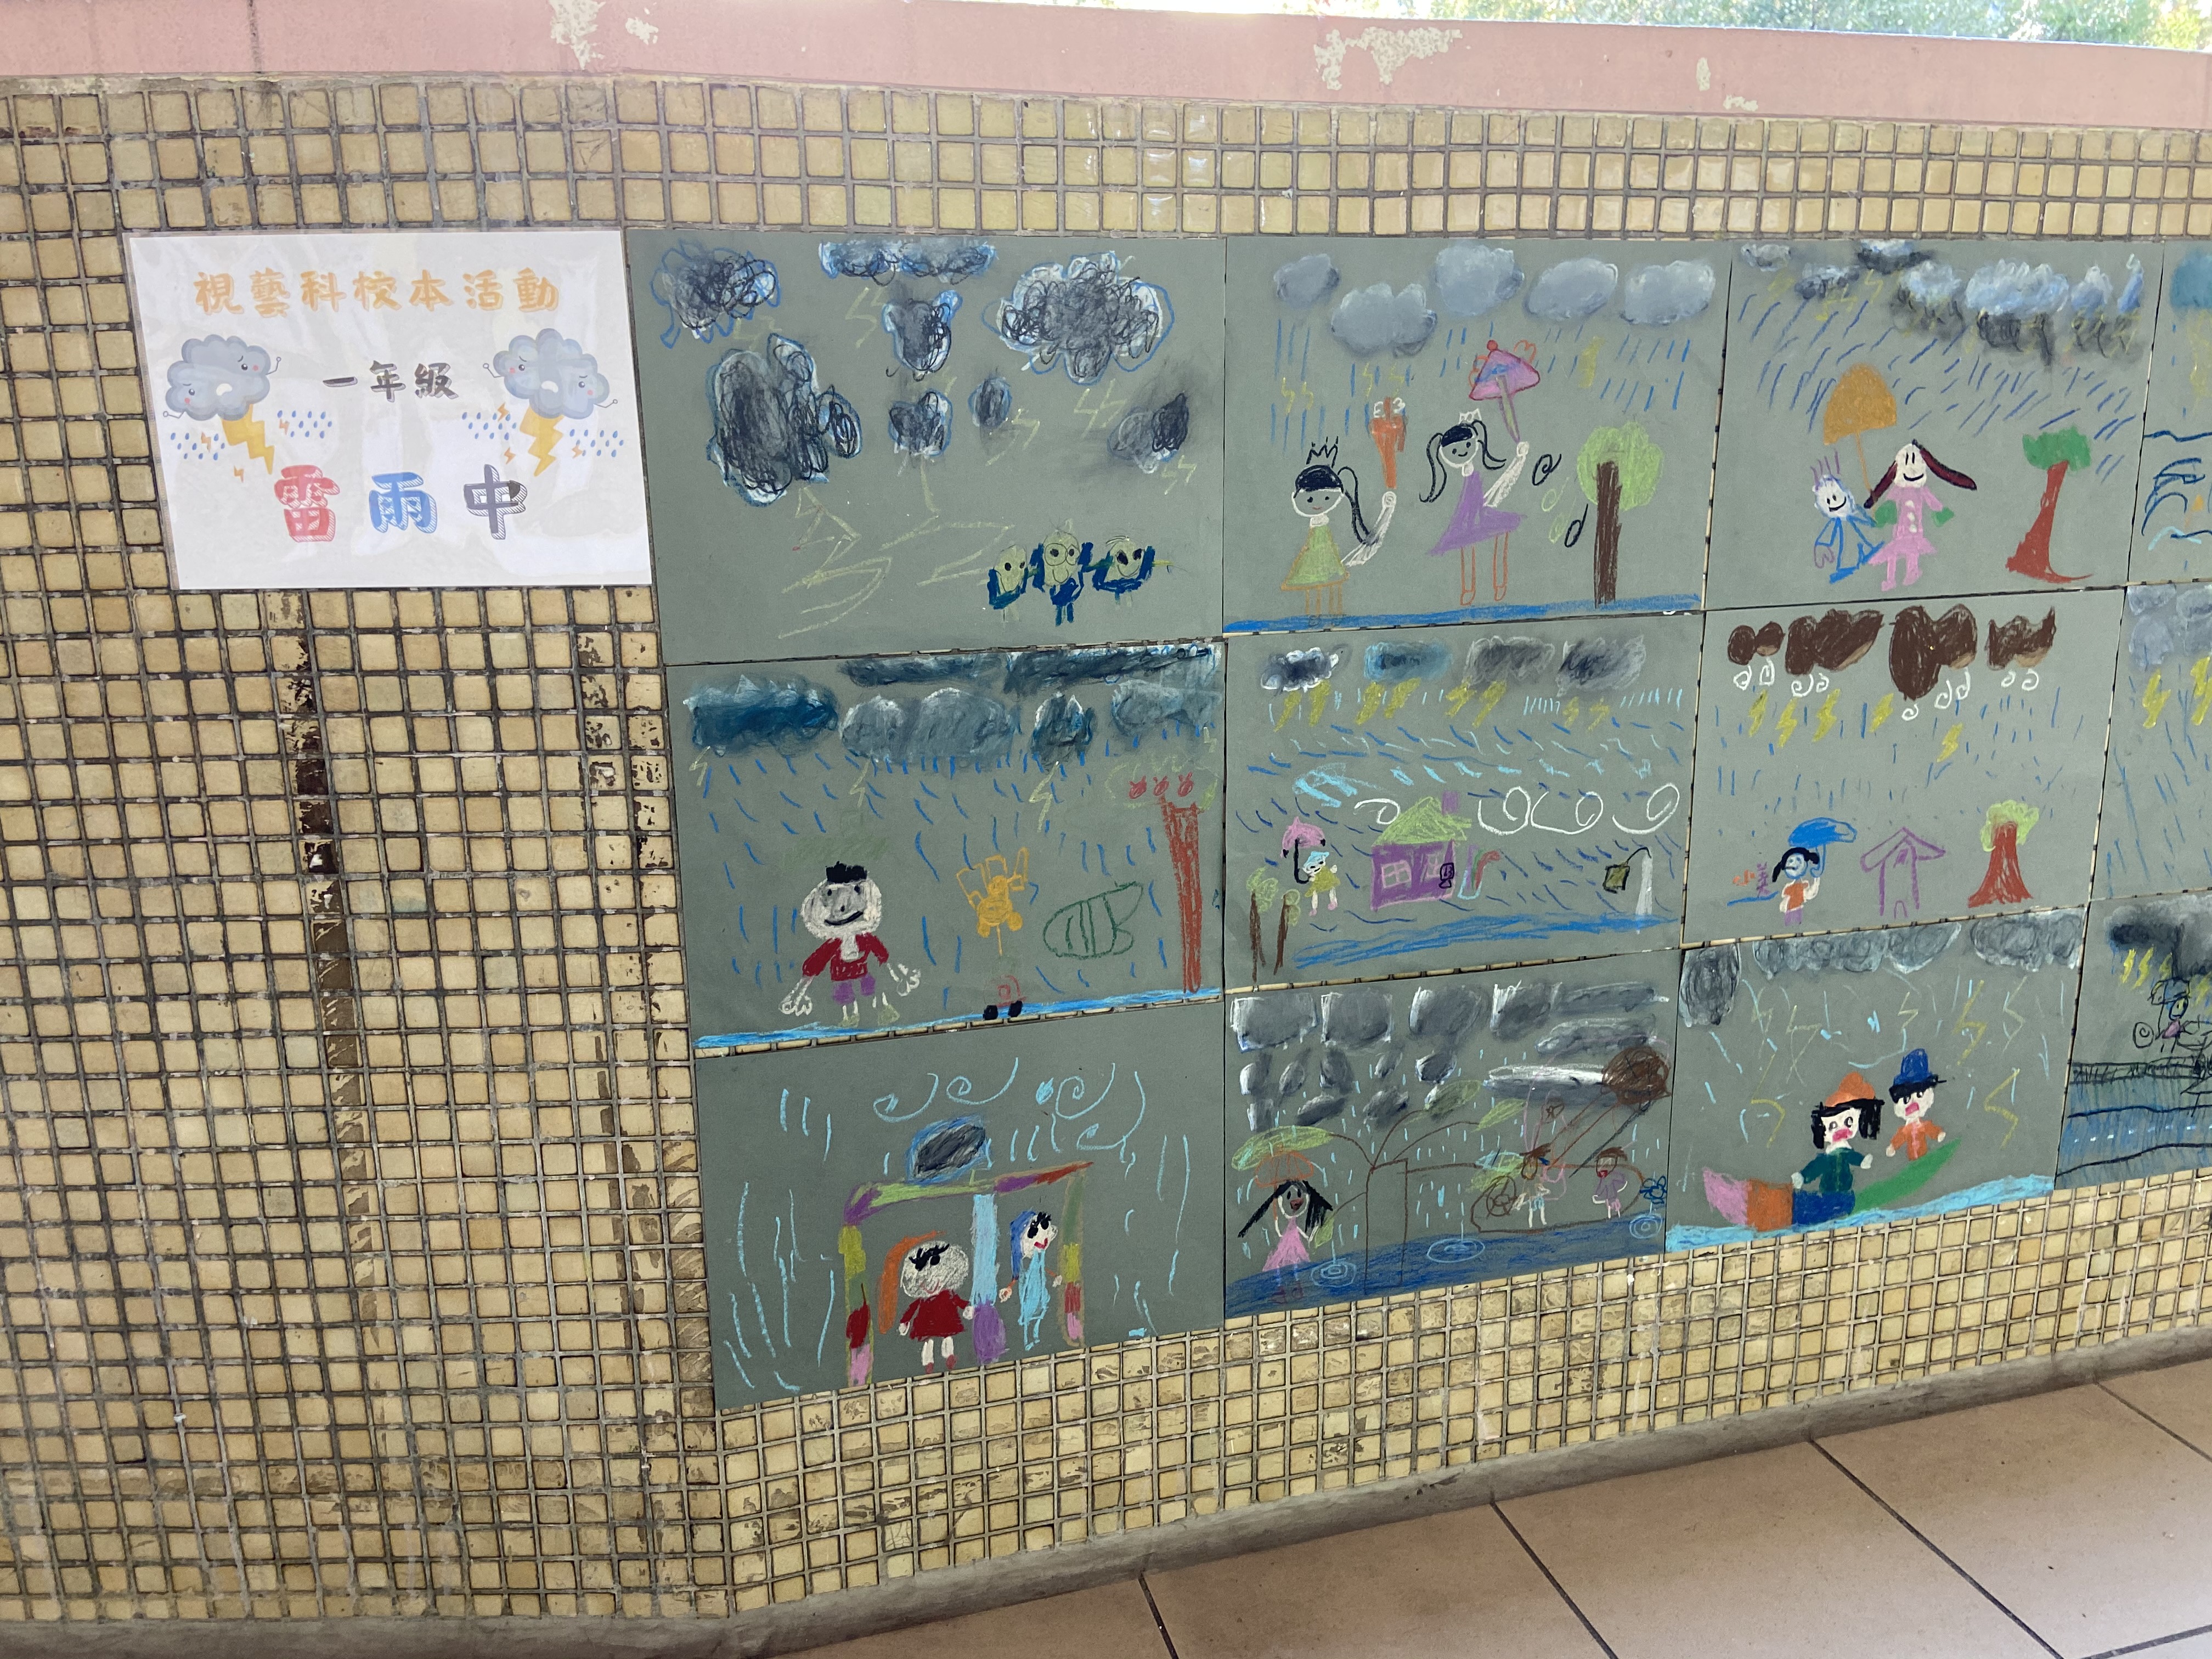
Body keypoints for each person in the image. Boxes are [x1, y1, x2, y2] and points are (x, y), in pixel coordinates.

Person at [1422, 413, 1528, 605]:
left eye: (1468, 446)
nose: (1462, 452)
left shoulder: (1478, 471)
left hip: (1480, 515)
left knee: (1495, 541)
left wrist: (1519, 459)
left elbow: (1499, 486)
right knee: (1468, 548)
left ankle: (1498, 586)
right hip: (1467, 518)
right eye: (1455, 451)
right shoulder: (1461, 477)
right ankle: (1472, 589)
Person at [1281, 442, 1393, 618]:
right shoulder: (1319, 525)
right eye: (1310, 500)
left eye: (1327, 497)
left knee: (1331, 583)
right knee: (1317, 585)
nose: (1318, 504)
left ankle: (1334, 613)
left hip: (1327, 553)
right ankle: (1316, 615)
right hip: (1318, 552)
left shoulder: (1333, 522)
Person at [1864, 441, 1977, 592]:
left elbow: (1932, 501)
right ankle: (1890, 579)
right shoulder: (1899, 490)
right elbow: (1890, 502)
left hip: (1915, 532)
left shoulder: (1920, 490)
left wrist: (1940, 510)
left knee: (1911, 551)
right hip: (1901, 532)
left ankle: (1912, 572)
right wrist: (1882, 511)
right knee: (1895, 553)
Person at [1792, 1073, 1882, 1226]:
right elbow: (1815, 1168)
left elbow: (1853, 1157)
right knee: (1817, 1204)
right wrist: (1803, 1176)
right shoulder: (1827, 1159)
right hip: (1828, 1195)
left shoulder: (1845, 1153)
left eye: (1848, 1121)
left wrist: (1863, 1161)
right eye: (1833, 1125)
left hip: (1844, 1196)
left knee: (1823, 1207)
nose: (1841, 1129)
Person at [889, 1238, 974, 1372]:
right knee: (930, 1341)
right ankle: (929, 1362)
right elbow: (912, 1308)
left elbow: (958, 1301)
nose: (930, 1285)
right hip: (929, 1322)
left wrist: (967, 1307)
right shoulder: (925, 1298)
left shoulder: (947, 1293)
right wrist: (905, 1321)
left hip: (944, 1321)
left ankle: (949, 1356)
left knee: (946, 1337)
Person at [1000, 1209, 1062, 1350]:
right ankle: (1028, 1337)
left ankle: (1035, 1335)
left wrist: (1054, 1276)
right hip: (1029, 1289)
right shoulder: (1024, 1259)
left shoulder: (1038, 1255)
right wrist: (1009, 1287)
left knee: (1041, 1308)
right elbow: (1018, 1275)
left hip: (1039, 1287)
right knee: (1029, 1312)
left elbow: (1043, 1267)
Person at [1886, 1049, 1949, 1160]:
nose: (1913, 1104)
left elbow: (1930, 1129)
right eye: (1906, 1099)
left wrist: (1938, 1134)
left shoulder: (1922, 1126)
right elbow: (1900, 1137)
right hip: (1912, 1159)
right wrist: (1893, 1146)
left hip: (1924, 1157)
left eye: (1919, 1095)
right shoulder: (1906, 1130)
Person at [1771, 845, 1822, 927]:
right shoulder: (1790, 886)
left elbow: (1810, 894)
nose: (1795, 863)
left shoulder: (1804, 885)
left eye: (1799, 860)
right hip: (1790, 911)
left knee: (1796, 924)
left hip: (1798, 910)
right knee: (1791, 925)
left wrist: (1816, 880)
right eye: (1791, 861)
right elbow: (1786, 899)